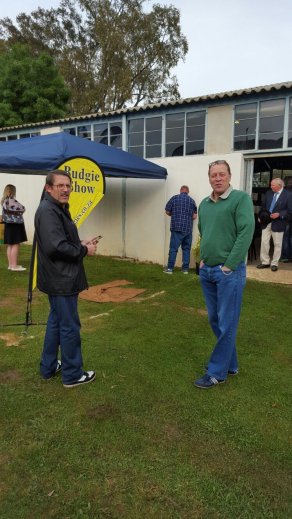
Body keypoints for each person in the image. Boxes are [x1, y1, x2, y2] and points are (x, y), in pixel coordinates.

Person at [34, 169, 98, 388]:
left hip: (58, 278)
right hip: (61, 279)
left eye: (68, 185)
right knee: (69, 326)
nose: (65, 189)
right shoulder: (48, 210)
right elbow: (56, 247)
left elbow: (61, 240)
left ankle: (49, 366)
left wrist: (81, 243)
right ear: (48, 188)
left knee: (56, 322)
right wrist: (83, 251)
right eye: (60, 186)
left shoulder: (56, 208)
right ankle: (72, 374)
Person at [194, 160, 254, 389]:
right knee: (215, 319)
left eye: (221, 174)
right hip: (207, 269)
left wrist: (229, 265)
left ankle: (217, 373)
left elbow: (246, 232)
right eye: (213, 175)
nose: (217, 178)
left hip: (229, 272)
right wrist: (201, 260)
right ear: (209, 177)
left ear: (229, 176)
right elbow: (204, 232)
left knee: (227, 322)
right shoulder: (205, 204)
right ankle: (231, 365)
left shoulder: (240, 199)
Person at [257, 178, 292, 272]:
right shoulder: (268, 193)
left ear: (280, 185)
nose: (271, 187)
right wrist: (260, 216)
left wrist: (279, 214)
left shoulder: (288, 195)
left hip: (279, 222)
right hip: (266, 222)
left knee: (277, 244)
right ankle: (265, 262)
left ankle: (274, 263)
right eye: (271, 185)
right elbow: (263, 206)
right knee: (264, 242)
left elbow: (290, 211)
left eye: (273, 185)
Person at [164, 185, 197, 274]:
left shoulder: (174, 198)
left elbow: (167, 211)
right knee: (186, 249)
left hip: (176, 228)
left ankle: (170, 269)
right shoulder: (192, 201)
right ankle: (185, 269)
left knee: (173, 249)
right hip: (188, 229)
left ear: (180, 190)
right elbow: (194, 216)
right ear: (188, 191)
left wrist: (174, 214)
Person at [1, 184, 27, 271]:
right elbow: (23, 208)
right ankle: (14, 266)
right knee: (15, 244)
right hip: (15, 225)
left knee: (10, 245)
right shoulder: (12, 201)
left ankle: (10, 265)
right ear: (12, 191)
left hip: (8, 225)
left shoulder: (4, 201)